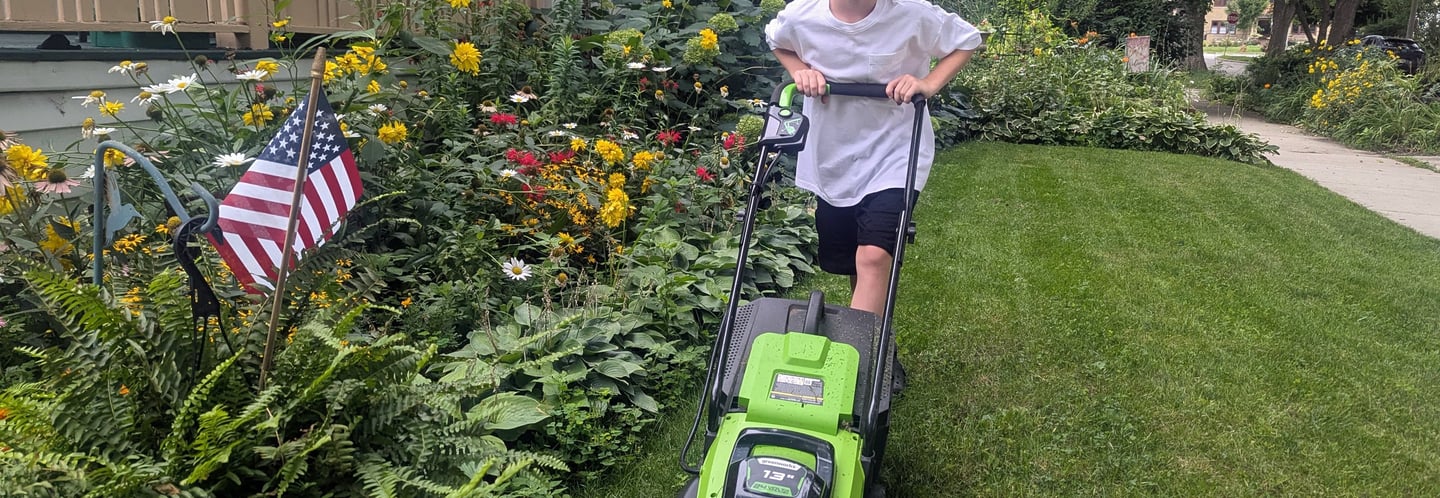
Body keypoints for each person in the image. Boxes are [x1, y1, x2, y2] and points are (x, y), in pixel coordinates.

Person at [765, 0, 981, 315]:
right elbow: (775, 38)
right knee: (858, 256)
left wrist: (928, 84)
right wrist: (800, 71)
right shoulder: (803, 15)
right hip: (833, 155)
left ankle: (855, 345)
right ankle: (870, 332)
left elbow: (967, 39)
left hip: (895, 151)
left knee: (874, 256)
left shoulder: (911, 12)